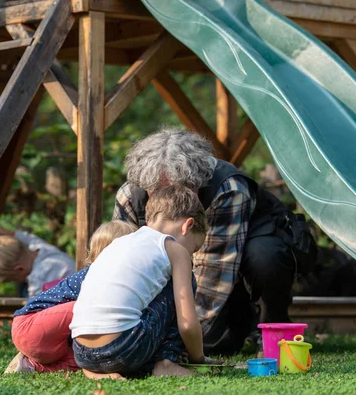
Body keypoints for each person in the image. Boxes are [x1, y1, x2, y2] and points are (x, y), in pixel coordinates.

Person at [114, 128, 317, 355]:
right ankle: (242, 323)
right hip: (197, 267)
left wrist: (173, 342)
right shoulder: (131, 195)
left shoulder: (229, 189)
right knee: (218, 345)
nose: (170, 201)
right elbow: (121, 265)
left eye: (180, 192)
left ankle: (273, 327)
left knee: (265, 256)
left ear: (197, 181)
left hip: (251, 250)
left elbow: (214, 274)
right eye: (160, 192)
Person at [71, 186, 210, 378]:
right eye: (193, 248)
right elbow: (186, 325)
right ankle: (166, 364)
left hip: (81, 352)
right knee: (186, 280)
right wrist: (199, 359)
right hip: (124, 347)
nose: (190, 254)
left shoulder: (119, 243)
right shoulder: (175, 250)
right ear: (188, 225)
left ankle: (98, 373)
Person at [5, 220, 138, 375]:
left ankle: (30, 366)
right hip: (28, 325)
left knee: (92, 357)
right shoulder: (93, 275)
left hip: (51, 343)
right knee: (91, 308)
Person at [0, 224, 75, 297]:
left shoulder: (37, 279)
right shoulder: (39, 247)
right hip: (75, 276)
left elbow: (35, 305)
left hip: (74, 292)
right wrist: (4, 232)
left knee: (24, 291)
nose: (16, 281)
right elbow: (27, 238)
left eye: (13, 279)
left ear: (19, 269)